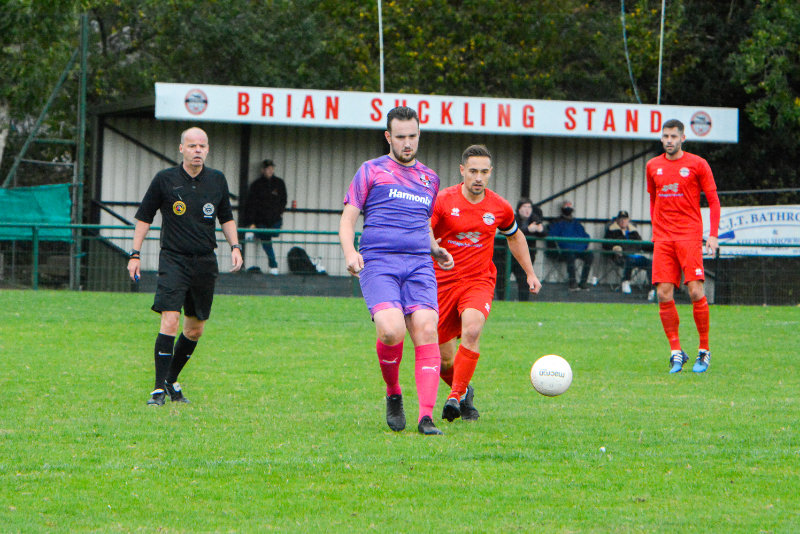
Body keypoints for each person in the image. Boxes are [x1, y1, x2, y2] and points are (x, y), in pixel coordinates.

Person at [338, 106, 454, 436]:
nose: (407, 143)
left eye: (412, 136)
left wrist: (435, 248)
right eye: (401, 136)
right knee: (391, 331)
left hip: (419, 265)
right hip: (379, 263)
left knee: (427, 329)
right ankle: (393, 392)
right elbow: (348, 219)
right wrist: (350, 252)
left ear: (419, 135)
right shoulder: (371, 170)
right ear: (388, 137)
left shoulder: (430, 178)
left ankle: (426, 417)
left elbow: (422, 223)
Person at [127, 127, 244, 405]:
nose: (197, 150)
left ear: (208, 149)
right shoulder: (165, 180)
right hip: (173, 259)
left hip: (204, 261)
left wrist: (235, 246)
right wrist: (135, 253)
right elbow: (144, 217)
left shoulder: (217, 180)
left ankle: (171, 379)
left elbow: (226, 217)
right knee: (170, 319)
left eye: (202, 146)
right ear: (181, 149)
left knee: (194, 329)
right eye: (192, 146)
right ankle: (158, 390)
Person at [432, 145, 542, 422]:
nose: (478, 177)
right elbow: (422, 232)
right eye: (473, 171)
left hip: (478, 281)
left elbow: (515, 236)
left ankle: (454, 396)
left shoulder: (499, 207)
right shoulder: (442, 201)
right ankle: (464, 392)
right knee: (444, 360)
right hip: (441, 283)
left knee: (472, 329)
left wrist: (529, 273)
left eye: (483, 172)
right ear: (462, 171)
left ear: (490, 172)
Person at [646, 118, 720, 374]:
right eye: (665, 136)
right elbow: (654, 199)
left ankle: (704, 350)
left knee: (696, 291)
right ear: (661, 138)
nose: (669, 141)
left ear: (683, 138)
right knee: (663, 294)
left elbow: (713, 200)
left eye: (674, 137)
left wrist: (713, 235)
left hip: (689, 235)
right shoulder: (652, 166)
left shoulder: (698, 164)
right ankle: (676, 351)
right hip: (663, 238)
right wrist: (656, 229)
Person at [242, 159, 287, 275]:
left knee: (267, 236)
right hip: (261, 220)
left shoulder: (279, 183)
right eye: (267, 168)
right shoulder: (256, 185)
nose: (270, 170)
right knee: (266, 238)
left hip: (275, 220)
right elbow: (251, 204)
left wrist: (278, 213)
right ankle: (273, 265)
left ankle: (253, 233)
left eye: (272, 168)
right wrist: (251, 222)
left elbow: (283, 200)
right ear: (263, 170)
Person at [602, 210, 654, 298]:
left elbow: (641, 244)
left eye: (625, 219)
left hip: (636, 255)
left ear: (628, 220)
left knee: (650, 263)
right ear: (617, 220)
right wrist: (614, 247)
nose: (623, 221)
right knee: (629, 260)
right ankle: (625, 281)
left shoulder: (633, 232)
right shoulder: (611, 231)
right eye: (621, 219)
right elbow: (605, 244)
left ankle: (652, 289)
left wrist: (654, 247)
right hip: (620, 256)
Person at [547, 200, 594, 290]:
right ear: (562, 208)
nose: (568, 208)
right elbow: (552, 236)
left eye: (570, 206)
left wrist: (583, 246)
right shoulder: (556, 222)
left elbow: (586, 236)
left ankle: (583, 282)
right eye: (566, 206)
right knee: (570, 255)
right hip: (564, 251)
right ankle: (572, 283)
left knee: (590, 255)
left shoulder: (576, 223)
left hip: (579, 250)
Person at [512, 198, 547, 301]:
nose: (527, 209)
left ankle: (524, 301)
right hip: (509, 255)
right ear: (519, 209)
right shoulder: (513, 219)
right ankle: (501, 299)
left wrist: (541, 230)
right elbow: (510, 233)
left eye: (529, 207)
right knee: (502, 278)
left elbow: (544, 233)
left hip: (527, 256)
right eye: (524, 207)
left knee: (524, 279)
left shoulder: (534, 219)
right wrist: (527, 230)